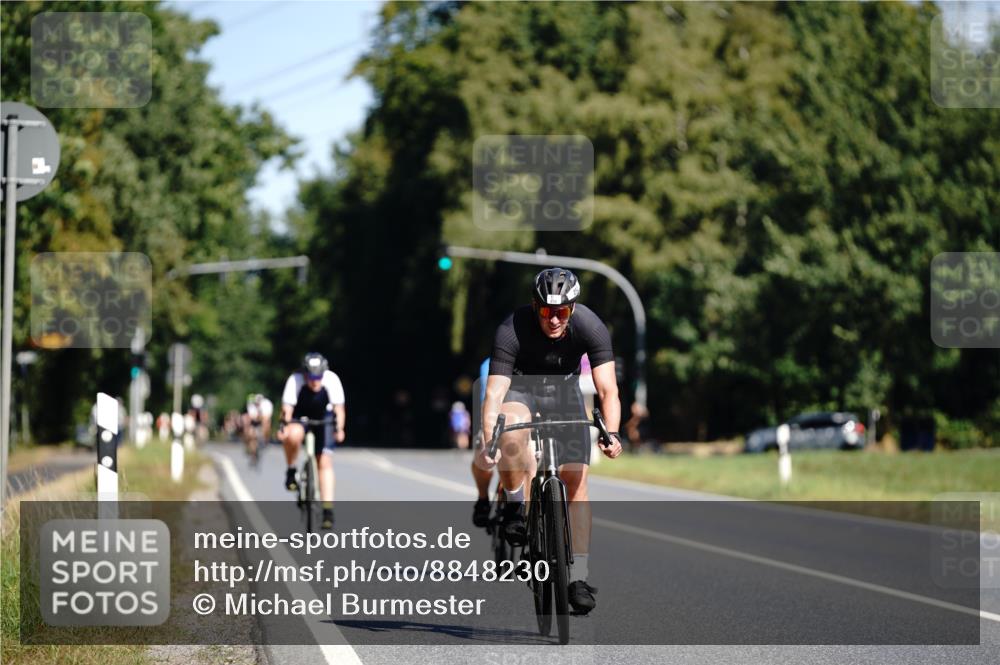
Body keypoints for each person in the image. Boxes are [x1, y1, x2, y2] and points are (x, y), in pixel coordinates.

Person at [478, 267, 623, 614]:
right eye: (546, 311)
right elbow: (494, 393)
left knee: (577, 482)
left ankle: (578, 578)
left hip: (564, 395)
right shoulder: (512, 328)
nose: (554, 319)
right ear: (535, 306)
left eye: (561, 312)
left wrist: (613, 432)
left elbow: (608, 389)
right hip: (521, 391)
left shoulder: (590, 326)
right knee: (512, 428)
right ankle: (515, 504)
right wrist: (490, 441)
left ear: (572, 309)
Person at [278, 353, 346, 529]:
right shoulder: (295, 380)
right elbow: (287, 410)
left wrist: (339, 429)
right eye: (311, 377)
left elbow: (339, 409)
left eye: (318, 377)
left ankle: (327, 510)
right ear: (305, 374)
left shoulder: (331, 380)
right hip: (300, 416)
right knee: (293, 435)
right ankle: (291, 470)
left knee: (324, 461)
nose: (315, 382)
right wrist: (284, 427)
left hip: (324, 417)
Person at [243, 393, 274, 459]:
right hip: (255, 421)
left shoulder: (267, 404)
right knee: (249, 431)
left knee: (266, 422)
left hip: (263, 420)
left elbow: (266, 418)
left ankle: (265, 439)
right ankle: (249, 444)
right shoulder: (251, 404)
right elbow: (251, 417)